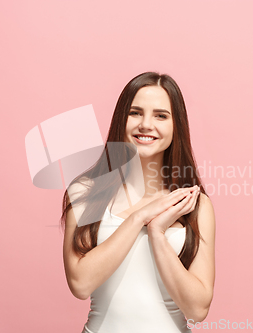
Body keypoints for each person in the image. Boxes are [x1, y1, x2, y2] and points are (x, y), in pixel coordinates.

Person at [61, 72, 216, 333]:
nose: (146, 124)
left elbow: (198, 310)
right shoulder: (85, 192)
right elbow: (80, 283)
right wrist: (138, 218)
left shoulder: (194, 205)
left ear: (176, 125)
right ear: (121, 119)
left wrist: (157, 233)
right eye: (135, 113)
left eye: (160, 115)